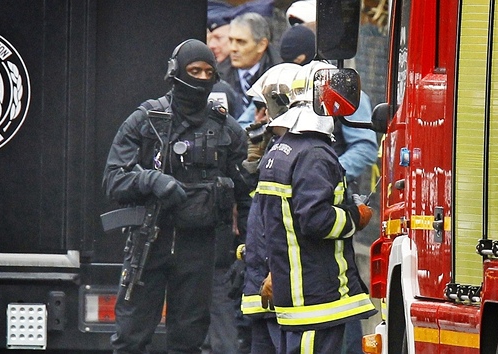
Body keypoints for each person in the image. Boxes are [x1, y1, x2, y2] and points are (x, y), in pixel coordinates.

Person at [103, 39, 251, 354]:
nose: (199, 78)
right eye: (193, 70)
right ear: (175, 71)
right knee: (130, 338)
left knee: (189, 341)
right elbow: (113, 180)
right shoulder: (146, 121)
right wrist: (150, 180)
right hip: (149, 242)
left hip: (199, 251)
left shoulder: (228, 132)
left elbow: (249, 197)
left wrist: (247, 253)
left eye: (207, 72)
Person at [255, 61, 377, 354]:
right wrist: (354, 216)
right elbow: (316, 220)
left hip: (295, 292)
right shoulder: (314, 154)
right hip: (315, 298)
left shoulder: (282, 151)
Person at [238, 62, 301, 354]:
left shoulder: (298, 155)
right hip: (261, 290)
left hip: (281, 289)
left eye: (263, 108)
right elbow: (260, 215)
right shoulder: (271, 151)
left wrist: (277, 270)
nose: (258, 117)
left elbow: (296, 222)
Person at [218, 12, 282, 124]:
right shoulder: (217, 76)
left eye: (241, 42)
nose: (233, 48)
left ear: (262, 45)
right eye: (230, 40)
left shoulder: (279, 76)